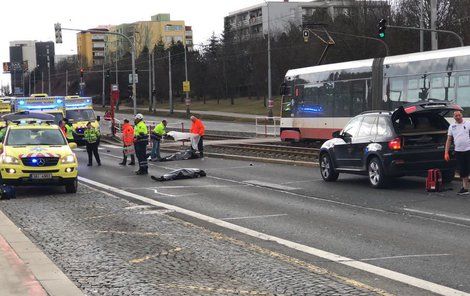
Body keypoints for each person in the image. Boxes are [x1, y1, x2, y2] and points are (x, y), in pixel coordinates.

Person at [445, 110, 470, 195]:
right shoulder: (452, 126)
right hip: (458, 151)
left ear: (461, 115)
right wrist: (446, 152)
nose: (458, 117)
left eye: (459, 115)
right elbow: (449, 140)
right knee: (463, 170)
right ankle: (465, 188)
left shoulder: (468, 124)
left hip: (468, 150)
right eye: (456, 116)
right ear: (454, 117)